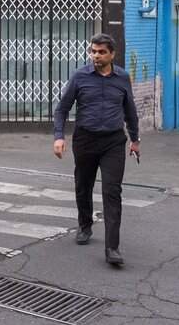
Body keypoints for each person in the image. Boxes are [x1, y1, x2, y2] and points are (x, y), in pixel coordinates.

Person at [53, 33, 141, 267]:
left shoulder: (122, 77)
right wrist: (59, 137)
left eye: (101, 52)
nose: (96, 55)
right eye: (93, 51)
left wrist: (135, 139)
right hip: (85, 140)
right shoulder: (80, 76)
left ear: (112, 54)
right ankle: (85, 224)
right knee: (83, 186)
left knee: (112, 191)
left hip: (113, 141)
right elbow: (62, 108)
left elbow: (130, 109)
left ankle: (112, 248)